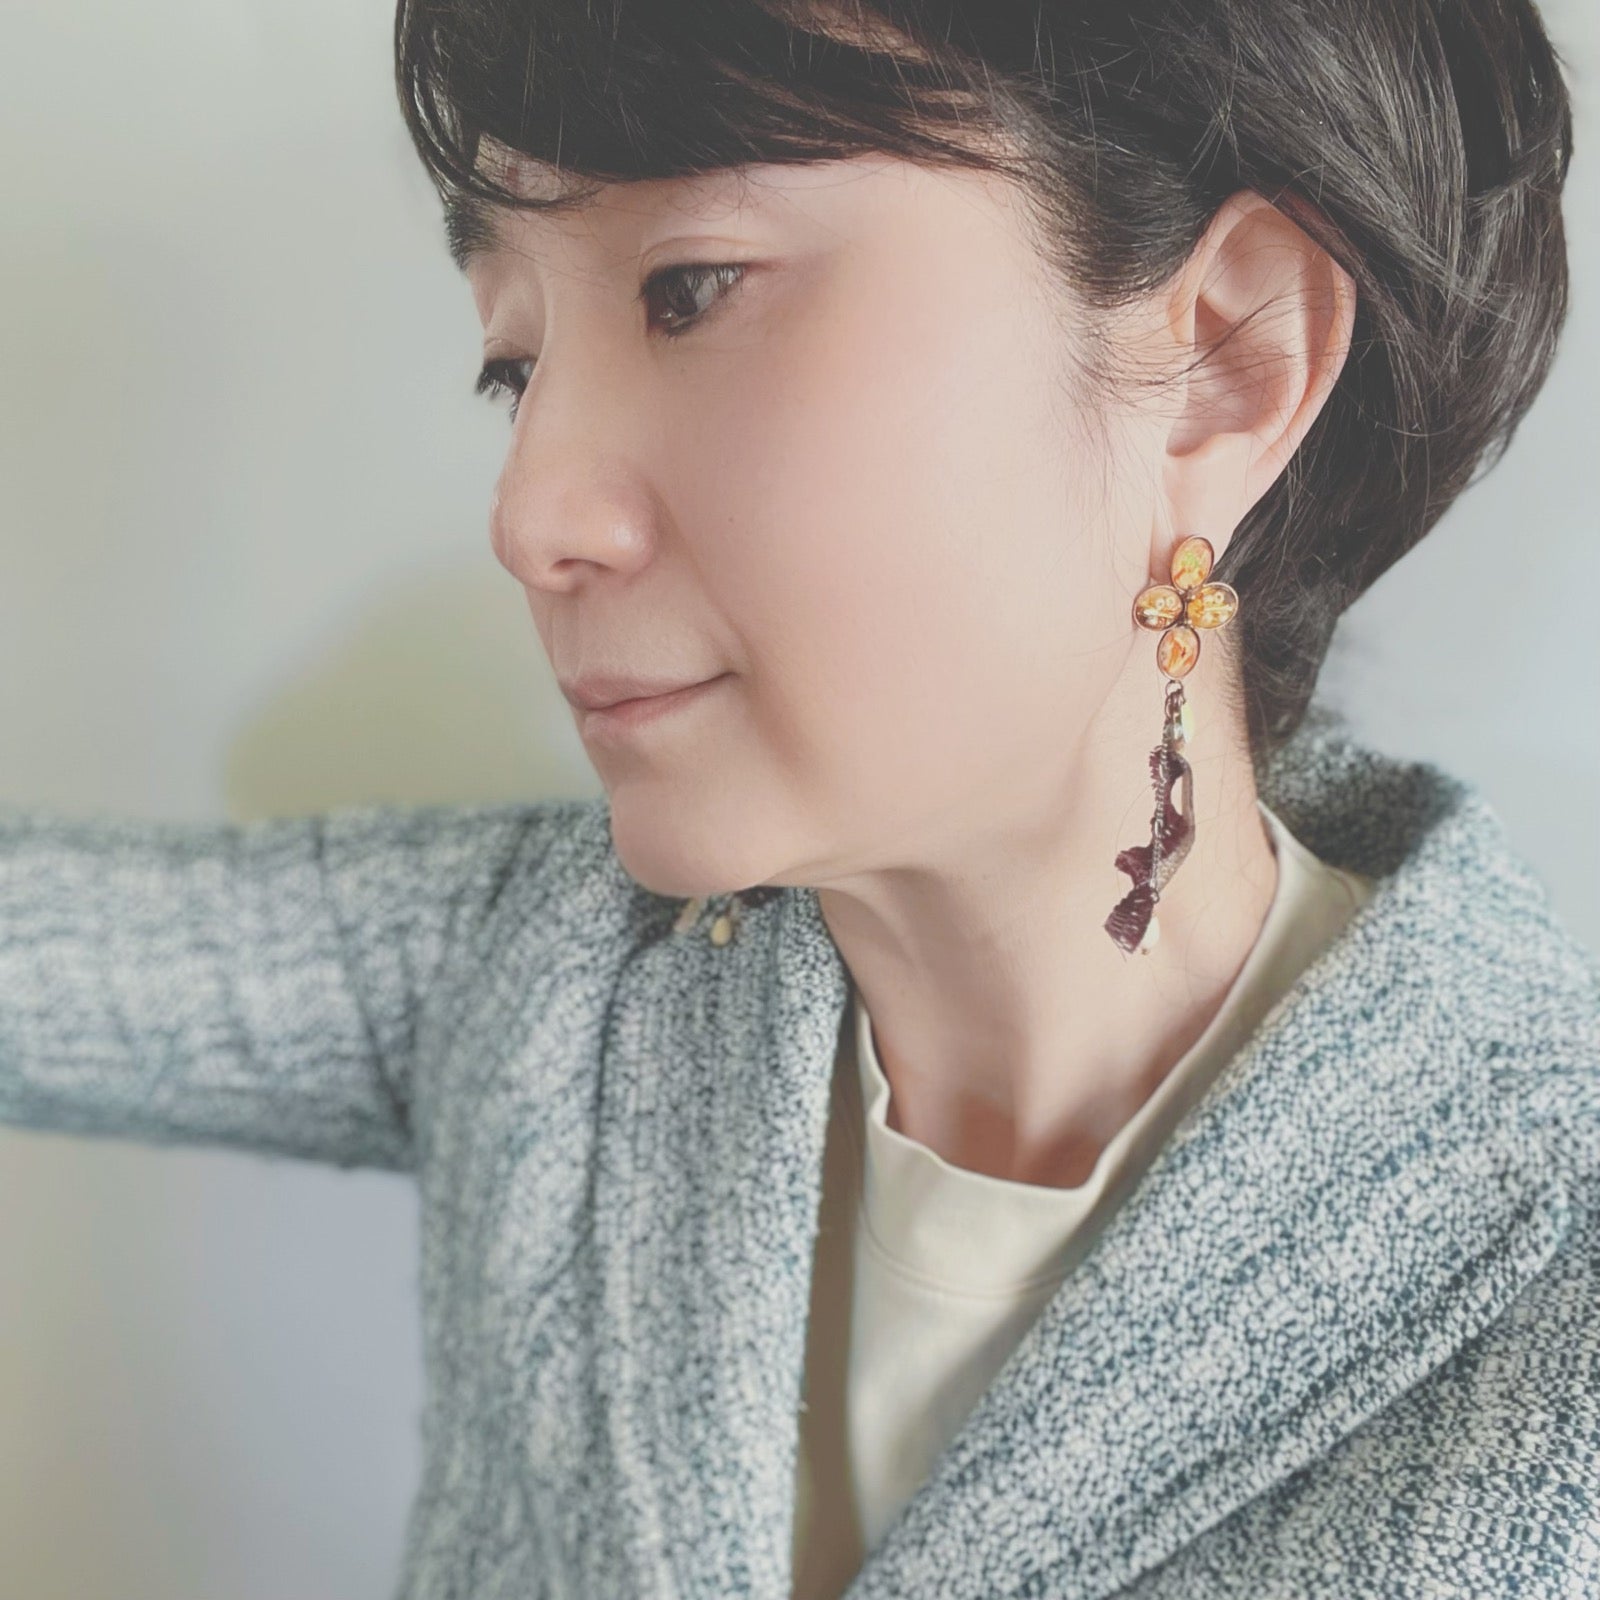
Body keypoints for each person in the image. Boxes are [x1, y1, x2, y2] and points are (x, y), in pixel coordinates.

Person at [3, 1, 1596, 1596]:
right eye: (514, 365)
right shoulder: (552, 980)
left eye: (688, 291)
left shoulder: (1550, 1301)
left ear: (1224, 356)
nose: (532, 514)